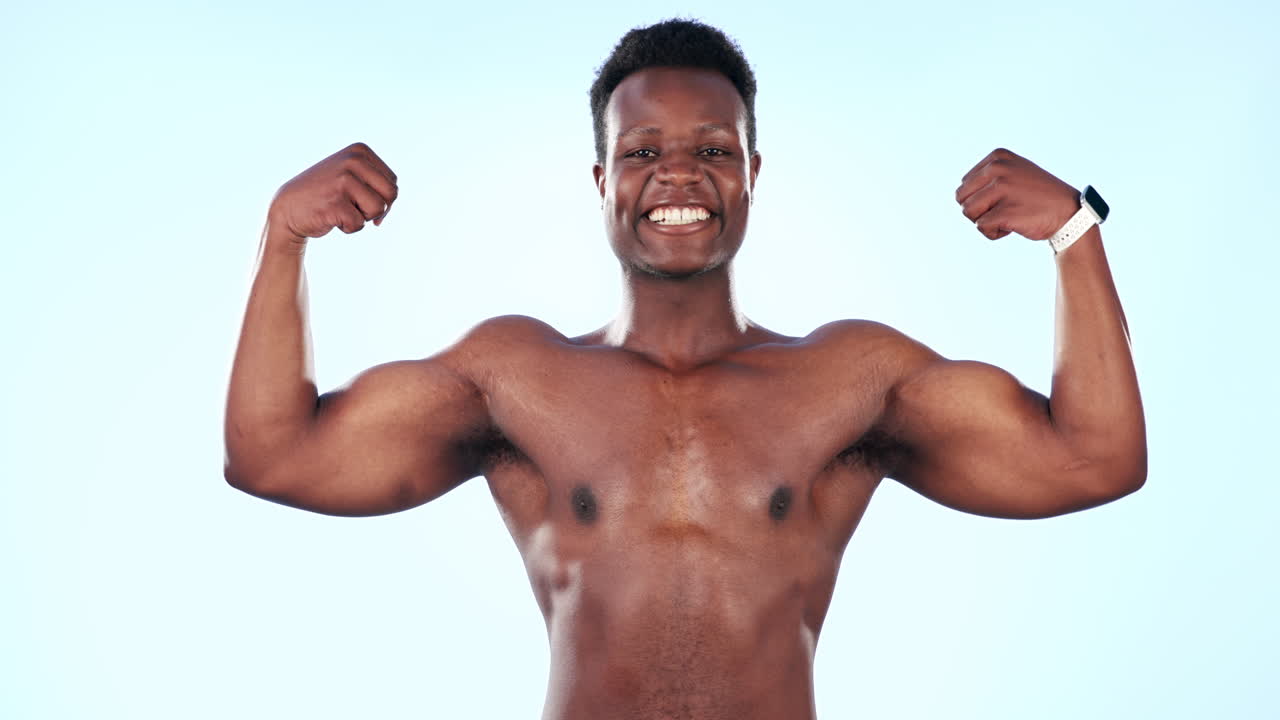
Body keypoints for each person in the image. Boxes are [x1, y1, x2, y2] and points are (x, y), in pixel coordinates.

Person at [222, 18, 1146, 720]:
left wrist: (1075, 233)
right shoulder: (517, 377)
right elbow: (274, 458)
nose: (678, 176)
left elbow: (1094, 460)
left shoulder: (849, 379)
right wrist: (282, 238)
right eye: (641, 153)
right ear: (601, 181)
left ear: (752, 171)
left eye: (711, 150)